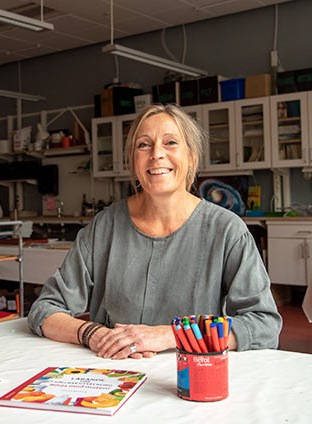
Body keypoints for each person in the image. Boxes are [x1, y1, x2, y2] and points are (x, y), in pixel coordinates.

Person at [27, 103, 281, 359]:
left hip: (191, 375)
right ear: (133, 161)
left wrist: (171, 335)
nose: (156, 154)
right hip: (112, 372)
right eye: (143, 145)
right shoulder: (105, 226)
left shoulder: (226, 230)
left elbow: (263, 325)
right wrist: (92, 333)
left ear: (191, 157)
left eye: (170, 142)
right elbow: (45, 309)